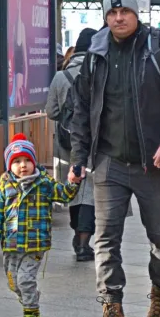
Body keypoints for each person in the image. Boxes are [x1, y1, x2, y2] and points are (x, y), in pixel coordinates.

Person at [69, 0, 160, 317]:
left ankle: (159, 292)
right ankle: (112, 310)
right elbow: (81, 110)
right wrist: (79, 158)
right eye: (112, 13)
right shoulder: (95, 54)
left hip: (153, 164)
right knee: (105, 238)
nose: (118, 18)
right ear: (105, 18)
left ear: (136, 14)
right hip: (108, 161)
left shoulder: (157, 48)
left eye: (124, 12)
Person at [0, 134, 78, 317]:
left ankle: (31, 316)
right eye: (16, 161)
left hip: (35, 244)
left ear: (34, 162)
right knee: (14, 283)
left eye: (27, 160)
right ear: (9, 165)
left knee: (24, 279)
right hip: (11, 245)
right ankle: (30, 296)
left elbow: (65, 195)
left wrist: (73, 182)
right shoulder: (4, 185)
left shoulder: (44, 183)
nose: (22, 165)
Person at [47, 28, 97, 261]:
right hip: (95, 143)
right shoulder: (99, 72)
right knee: (90, 193)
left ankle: (78, 236)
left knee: (74, 191)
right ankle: (84, 241)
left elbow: (52, 112)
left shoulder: (60, 76)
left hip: (66, 145)